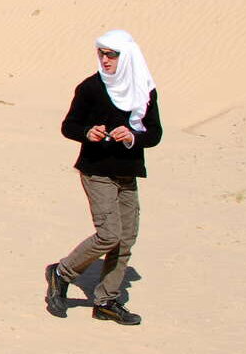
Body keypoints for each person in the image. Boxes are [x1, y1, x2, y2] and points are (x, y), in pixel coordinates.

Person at [44, 29, 162, 326]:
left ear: (127, 56)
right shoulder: (91, 88)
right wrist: (88, 132)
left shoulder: (144, 89)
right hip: (96, 170)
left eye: (112, 54)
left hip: (127, 171)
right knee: (109, 235)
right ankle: (61, 273)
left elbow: (154, 133)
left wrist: (133, 135)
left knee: (125, 240)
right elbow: (69, 126)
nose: (105, 60)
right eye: (102, 53)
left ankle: (107, 300)